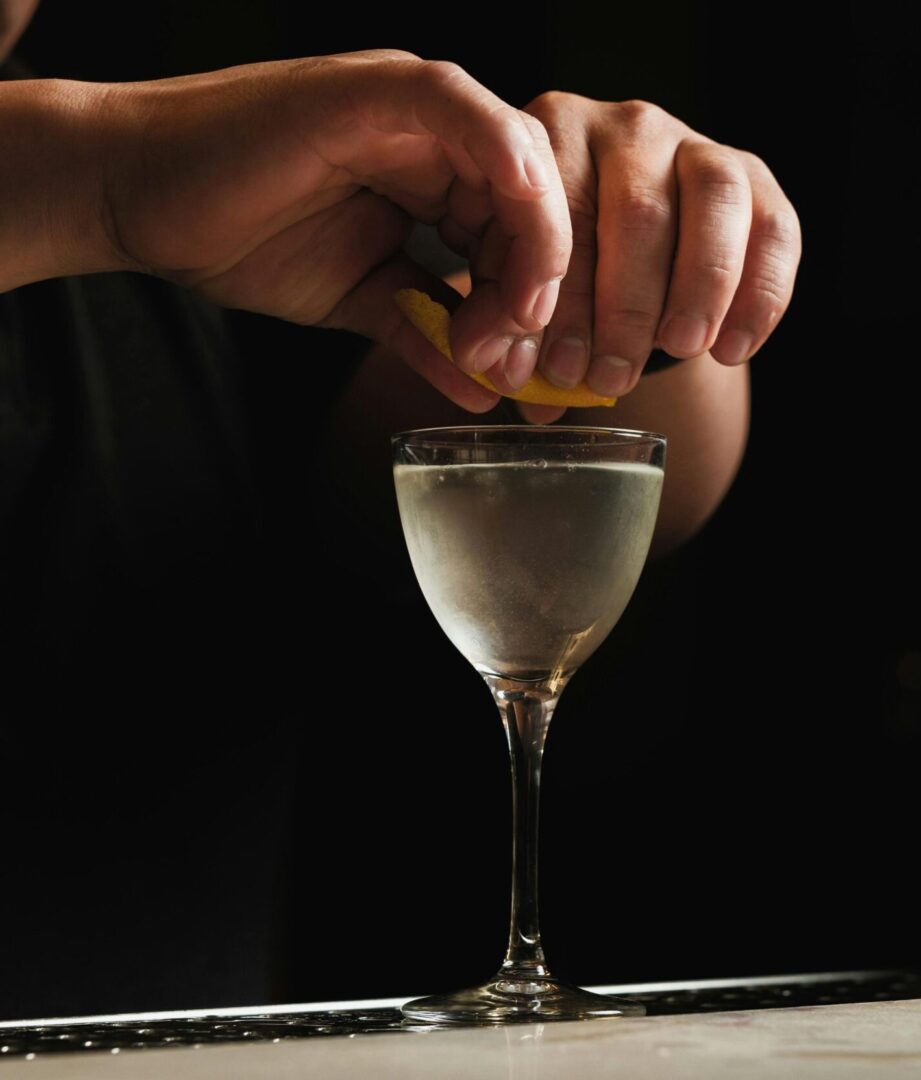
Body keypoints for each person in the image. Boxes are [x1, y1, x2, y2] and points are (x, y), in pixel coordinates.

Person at [0, 3, 799, 1018]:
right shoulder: (143, 164)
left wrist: (628, 266)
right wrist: (101, 178)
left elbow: (611, 469)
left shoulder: (193, 246)